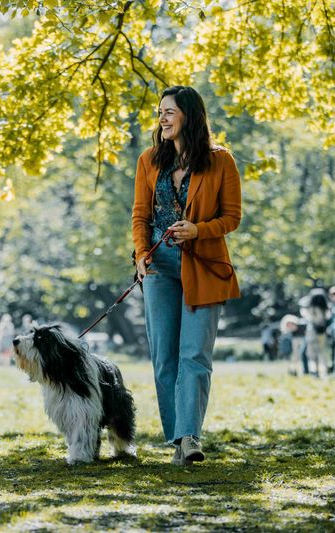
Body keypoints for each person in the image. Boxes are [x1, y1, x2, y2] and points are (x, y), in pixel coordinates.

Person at [132, 85, 241, 466]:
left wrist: (199, 230)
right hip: (159, 267)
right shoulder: (149, 160)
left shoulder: (220, 160)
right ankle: (178, 437)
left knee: (195, 356)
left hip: (205, 267)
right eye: (160, 112)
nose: (162, 118)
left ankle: (190, 437)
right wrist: (141, 254)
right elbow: (140, 216)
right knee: (165, 358)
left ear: (189, 116)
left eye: (169, 112)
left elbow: (232, 217)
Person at [298, 288, 330, 377]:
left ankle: (315, 371)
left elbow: (308, 317)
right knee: (322, 352)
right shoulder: (325, 309)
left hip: (312, 333)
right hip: (322, 333)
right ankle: (324, 371)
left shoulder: (311, 309)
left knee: (312, 353)